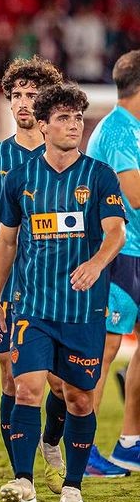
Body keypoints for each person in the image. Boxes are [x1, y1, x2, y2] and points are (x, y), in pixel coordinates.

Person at [0, 83, 127, 502]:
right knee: (27, 388)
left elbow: (116, 232)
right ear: (44, 125)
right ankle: (24, 482)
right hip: (33, 306)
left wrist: (97, 264)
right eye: (64, 118)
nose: (74, 125)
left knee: (79, 399)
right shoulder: (20, 178)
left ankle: (72, 487)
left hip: (83, 310)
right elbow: (5, 242)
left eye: (78, 118)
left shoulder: (99, 176)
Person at [0, 57, 73, 489]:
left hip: (60, 286)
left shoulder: (71, 159)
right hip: (9, 288)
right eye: (17, 95)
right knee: (12, 377)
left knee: (62, 386)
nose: (24, 102)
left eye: (33, 94)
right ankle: (21, 477)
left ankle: (50, 441)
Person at [86, 51, 140, 473]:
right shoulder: (118, 130)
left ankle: (130, 442)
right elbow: (135, 196)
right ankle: (82, 448)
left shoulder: (132, 129)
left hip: (135, 253)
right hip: (119, 253)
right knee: (104, 350)